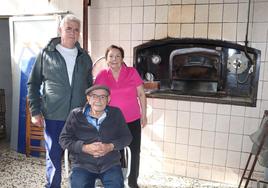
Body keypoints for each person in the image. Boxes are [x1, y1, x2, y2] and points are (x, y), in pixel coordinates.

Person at [27, 14, 93, 188]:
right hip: (54, 115)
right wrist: (35, 111)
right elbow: (33, 83)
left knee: (79, 158)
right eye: (68, 28)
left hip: (78, 117)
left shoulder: (84, 57)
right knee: (54, 157)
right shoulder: (46, 54)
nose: (72, 32)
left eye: (76, 29)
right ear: (60, 30)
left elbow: (90, 87)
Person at [94, 45, 147, 188]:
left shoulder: (131, 72)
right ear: (106, 59)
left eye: (118, 56)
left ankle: (132, 182)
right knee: (113, 152)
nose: (114, 59)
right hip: (111, 122)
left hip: (132, 120)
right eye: (111, 56)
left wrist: (144, 114)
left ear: (122, 59)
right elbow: (96, 97)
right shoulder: (102, 75)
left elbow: (141, 94)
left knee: (134, 151)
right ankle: (114, 180)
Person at [59, 85, 132, 188]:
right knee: (78, 185)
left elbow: (126, 137)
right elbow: (63, 139)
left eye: (103, 97)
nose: (98, 100)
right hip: (83, 164)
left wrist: (110, 146)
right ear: (88, 99)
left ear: (108, 99)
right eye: (94, 96)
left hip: (110, 164)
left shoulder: (116, 113)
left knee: (116, 184)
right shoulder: (76, 115)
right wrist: (84, 147)